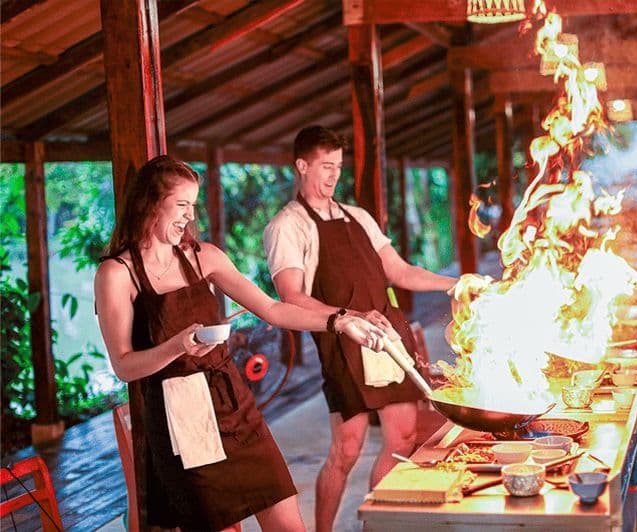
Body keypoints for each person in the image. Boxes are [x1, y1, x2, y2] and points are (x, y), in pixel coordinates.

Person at [94, 155, 385, 532]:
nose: (188, 216)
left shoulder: (205, 256)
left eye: (192, 206)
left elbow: (273, 309)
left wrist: (341, 320)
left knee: (286, 520)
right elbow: (123, 365)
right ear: (150, 202)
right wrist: (177, 346)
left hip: (233, 402)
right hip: (181, 415)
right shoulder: (117, 274)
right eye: (181, 204)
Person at [262, 125, 457, 532]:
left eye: (338, 167)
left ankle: (375, 526)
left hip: (388, 333)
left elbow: (399, 271)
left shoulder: (359, 217)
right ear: (302, 166)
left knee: (402, 439)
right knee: (347, 449)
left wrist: (456, 282)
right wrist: (349, 317)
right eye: (326, 166)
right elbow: (292, 297)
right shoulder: (288, 225)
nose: (334, 175)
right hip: (343, 340)